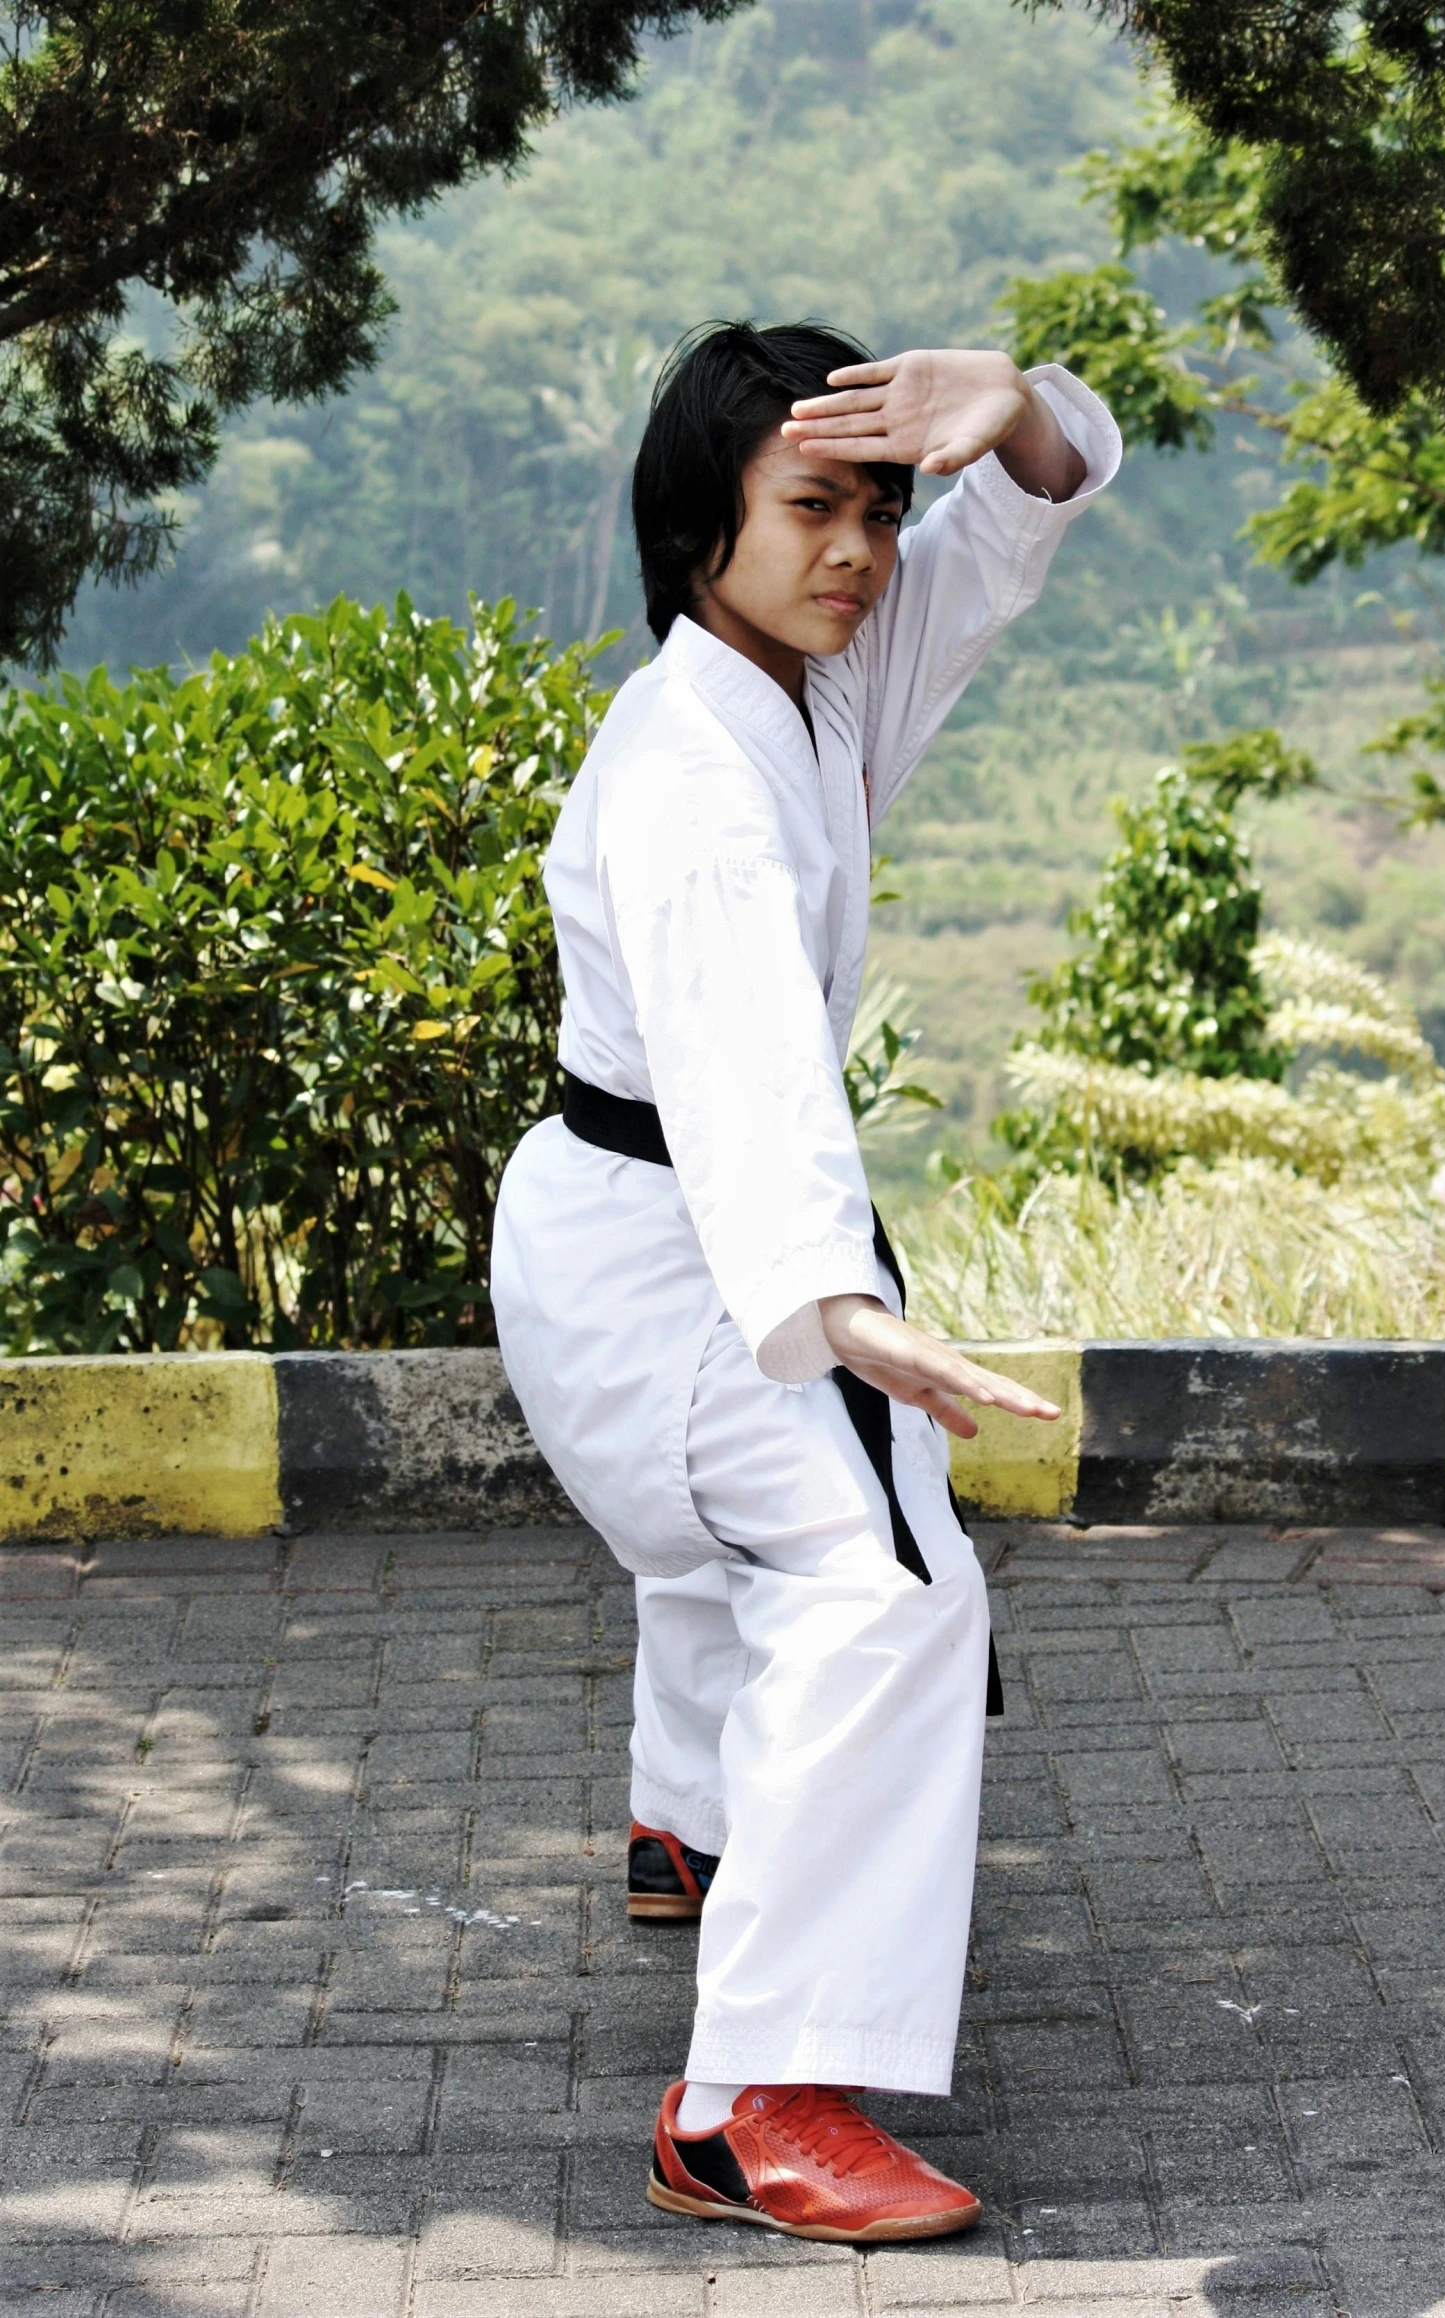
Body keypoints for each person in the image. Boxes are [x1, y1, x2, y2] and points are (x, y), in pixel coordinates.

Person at [491, 320, 1120, 2243]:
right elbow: (744, 1040)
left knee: (752, 1539)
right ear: (703, 533)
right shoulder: (696, 773)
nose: (861, 551)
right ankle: (750, 2096)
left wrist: (1009, 412)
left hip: (641, 1230)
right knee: (887, 1576)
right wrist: (828, 1302)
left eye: (876, 507)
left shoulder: (811, 679)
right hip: (677, 1249)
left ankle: (692, 1828)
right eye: (810, 509)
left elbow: (1017, 531)